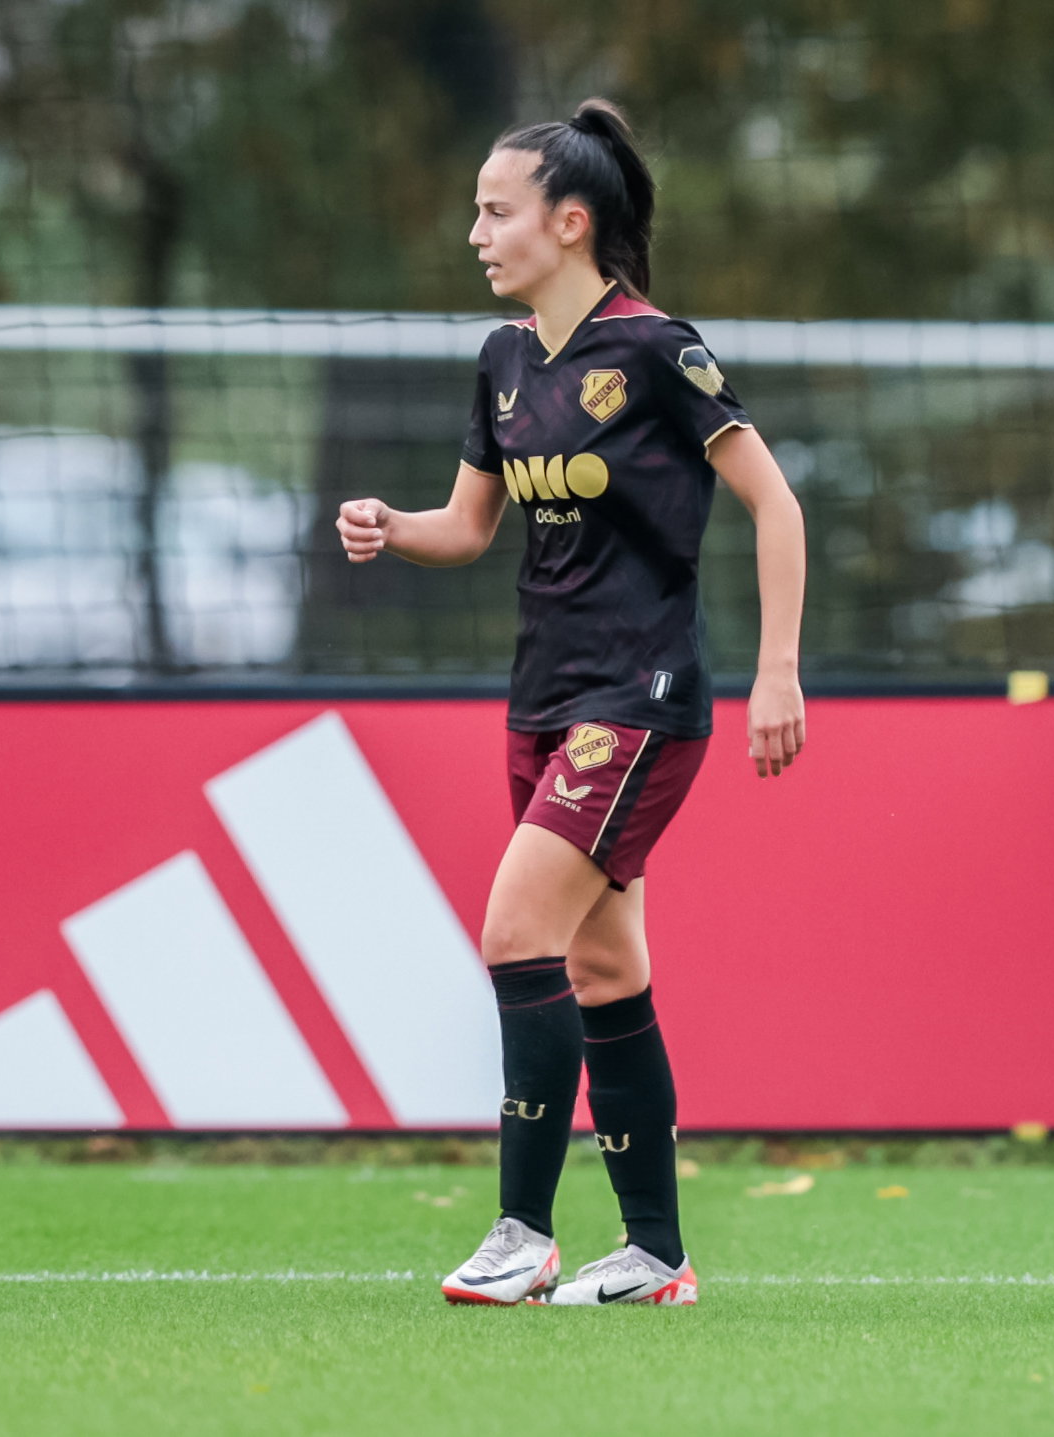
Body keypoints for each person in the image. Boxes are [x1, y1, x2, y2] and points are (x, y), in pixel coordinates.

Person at [336, 98, 807, 1309]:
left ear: (570, 222)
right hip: (542, 695)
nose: (477, 234)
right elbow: (468, 527)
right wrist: (392, 526)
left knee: (514, 937)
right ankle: (656, 1255)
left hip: (640, 696)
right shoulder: (504, 360)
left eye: (497, 212)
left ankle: (523, 1233)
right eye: (477, 212)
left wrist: (777, 670)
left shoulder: (656, 349)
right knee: (602, 970)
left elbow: (775, 502)